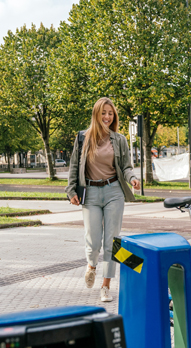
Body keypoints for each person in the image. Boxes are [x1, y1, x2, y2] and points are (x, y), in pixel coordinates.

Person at [66, 97, 141, 302]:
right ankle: (91, 265)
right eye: (103, 113)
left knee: (112, 241)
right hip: (90, 192)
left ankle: (106, 285)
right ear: (96, 114)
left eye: (110, 113)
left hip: (114, 191)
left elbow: (126, 167)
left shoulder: (119, 139)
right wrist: (71, 190)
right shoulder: (83, 138)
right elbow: (74, 165)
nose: (107, 117)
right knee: (93, 239)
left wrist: (132, 179)